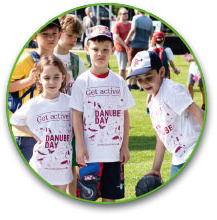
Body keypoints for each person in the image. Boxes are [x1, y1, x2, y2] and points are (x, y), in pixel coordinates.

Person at [70, 25, 135, 202]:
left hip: (114, 153)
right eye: (96, 49)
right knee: (86, 199)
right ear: (87, 50)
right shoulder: (82, 82)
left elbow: (125, 115)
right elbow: (77, 115)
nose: (100, 54)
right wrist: (80, 145)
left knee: (110, 198)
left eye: (106, 49)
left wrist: (125, 145)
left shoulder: (119, 82)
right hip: (90, 153)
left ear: (113, 50)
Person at [126, 50, 204, 179]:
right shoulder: (152, 103)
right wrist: (156, 169)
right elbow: (161, 138)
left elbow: (199, 112)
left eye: (149, 77)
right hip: (179, 157)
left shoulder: (170, 90)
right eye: (139, 80)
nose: (144, 83)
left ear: (161, 72)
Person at [10, 55, 73, 192]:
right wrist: (33, 133)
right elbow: (14, 120)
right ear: (38, 78)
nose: (52, 82)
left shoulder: (69, 102)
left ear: (63, 77)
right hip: (41, 164)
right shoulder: (34, 104)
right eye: (46, 78)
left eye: (56, 77)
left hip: (62, 164)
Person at [9, 19, 61, 162]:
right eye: (45, 34)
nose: (50, 38)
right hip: (26, 131)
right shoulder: (27, 60)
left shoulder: (57, 61)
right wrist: (30, 80)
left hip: (49, 130)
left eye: (54, 33)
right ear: (35, 37)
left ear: (60, 35)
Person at [54, 14, 86, 197]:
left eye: (76, 36)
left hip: (73, 119)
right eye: (70, 35)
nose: (74, 40)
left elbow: (82, 89)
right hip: (54, 117)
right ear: (60, 33)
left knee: (72, 164)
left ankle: (73, 197)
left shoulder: (77, 61)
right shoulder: (50, 57)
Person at [145, 31, 180, 114]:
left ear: (154, 40)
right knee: (164, 90)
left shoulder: (150, 49)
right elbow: (171, 62)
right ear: (164, 39)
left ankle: (148, 109)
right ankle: (164, 108)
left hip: (152, 74)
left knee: (151, 91)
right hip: (163, 74)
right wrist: (175, 70)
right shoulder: (167, 49)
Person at [124, 10, 153, 90]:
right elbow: (151, 35)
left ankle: (128, 84)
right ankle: (139, 85)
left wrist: (127, 39)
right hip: (144, 45)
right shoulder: (150, 20)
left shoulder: (136, 18)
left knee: (131, 65)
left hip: (135, 45)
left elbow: (133, 29)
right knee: (141, 66)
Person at [113, 7, 131, 79]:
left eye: (127, 13)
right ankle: (121, 84)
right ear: (120, 15)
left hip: (130, 49)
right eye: (124, 13)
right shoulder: (117, 25)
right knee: (122, 68)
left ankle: (131, 84)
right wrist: (125, 46)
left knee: (131, 67)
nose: (126, 15)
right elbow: (116, 37)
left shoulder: (130, 24)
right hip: (121, 49)